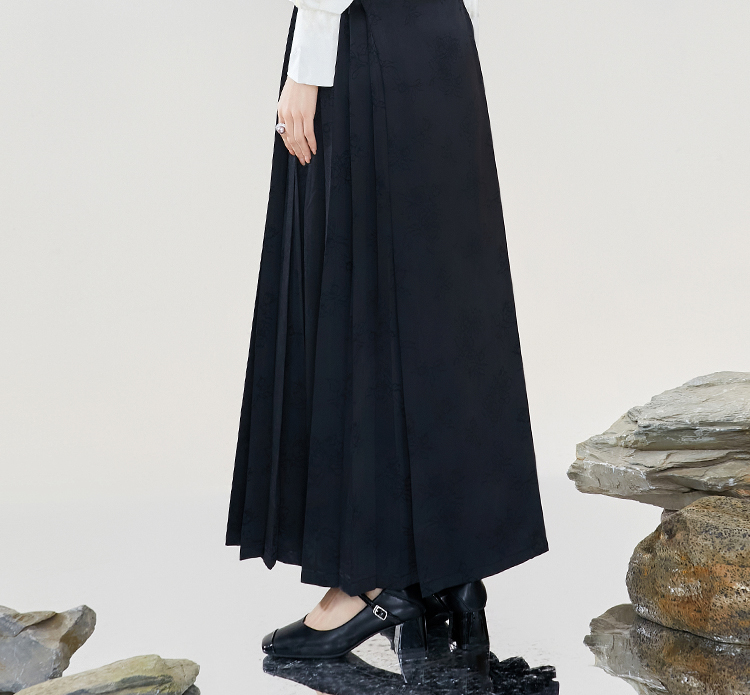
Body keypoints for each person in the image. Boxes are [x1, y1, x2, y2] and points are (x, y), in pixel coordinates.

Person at [226, 0, 549, 660]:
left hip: (362, 47)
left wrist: (305, 68)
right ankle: (455, 581)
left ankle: (366, 581)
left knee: (359, 304)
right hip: (441, 45)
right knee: (441, 306)